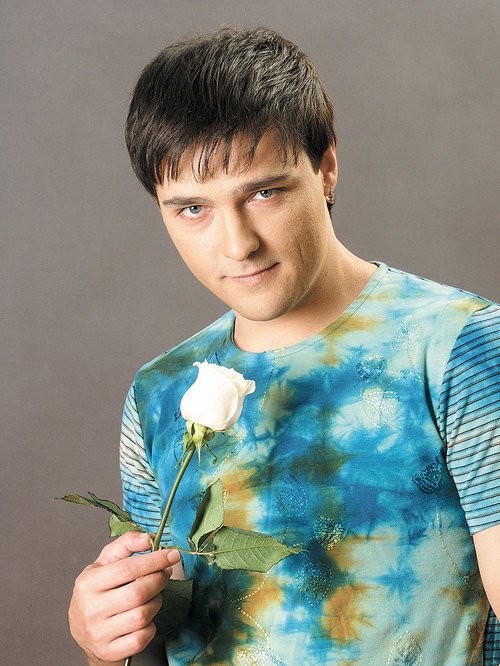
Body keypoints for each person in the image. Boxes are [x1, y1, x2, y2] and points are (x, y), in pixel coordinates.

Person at [68, 27, 500, 665]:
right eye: (192, 209)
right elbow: (157, 640)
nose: (237, 244)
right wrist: (103, 641)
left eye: (263, 192)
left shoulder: (458, 345)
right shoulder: (160, 394)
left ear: (326, 168)